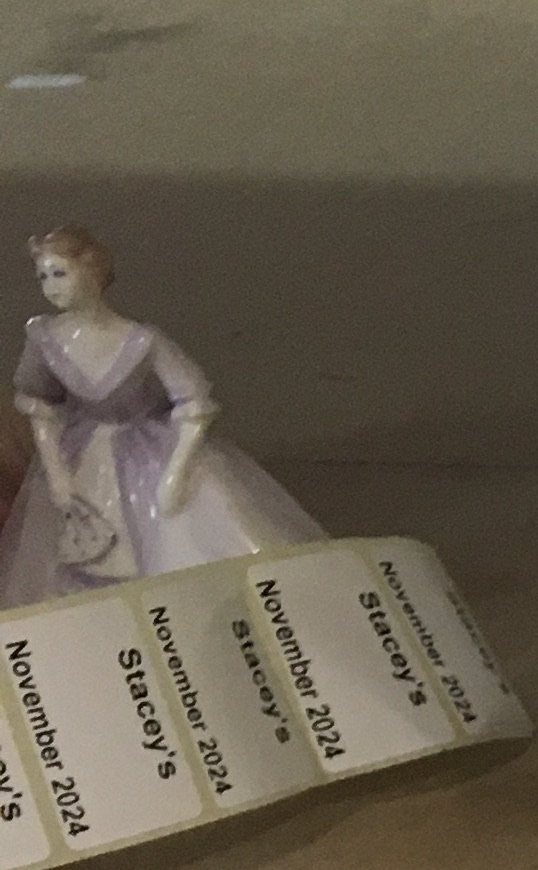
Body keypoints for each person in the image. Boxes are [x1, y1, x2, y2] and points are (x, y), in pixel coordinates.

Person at [0, 226, 321, 605]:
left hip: (146, 453)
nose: (50, 287)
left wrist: (175, 473)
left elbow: (193, 401)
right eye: (43, 277)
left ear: (92, 272)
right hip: (79, 456)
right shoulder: (44, 337)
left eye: (59, 274)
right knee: (66, 557)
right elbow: (40, 406)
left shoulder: (142, 341)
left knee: (176, 539)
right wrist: (56, 472)